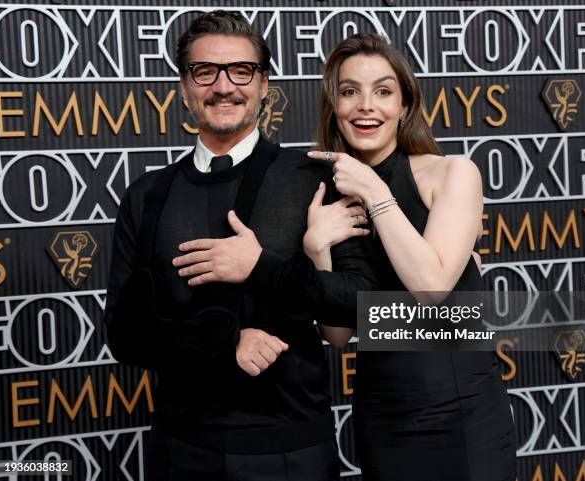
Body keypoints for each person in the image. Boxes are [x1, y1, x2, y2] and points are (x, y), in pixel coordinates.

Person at [104, 11, 376, 481]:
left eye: (241, 71)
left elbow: (360, 309)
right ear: (184, 87)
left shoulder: (315, 178)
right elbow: (124, 333)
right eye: (204, 71)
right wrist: (225, 342)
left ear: (264, 83)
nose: (223, 86)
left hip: (292, 452)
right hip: (179, 450)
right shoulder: (147, 195)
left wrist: (261, 268)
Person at [302, 34, 517, 480]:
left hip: (463, 418)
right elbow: (340, 333)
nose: (366, 105)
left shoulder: (453, 173)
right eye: (349, 91)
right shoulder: (329, 194)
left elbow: (432, 290)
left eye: (383, 91)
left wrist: (377, 192)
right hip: (383, 419)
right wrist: (316, 249)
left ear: (404, 106)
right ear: (334, 107)